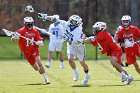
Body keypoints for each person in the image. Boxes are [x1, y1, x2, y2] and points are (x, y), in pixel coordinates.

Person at [38, 14, 90, 85]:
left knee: (82, 63)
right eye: (70, 20)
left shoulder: (78, 29)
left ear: (76, 23)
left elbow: (75, 41)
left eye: (72, 21)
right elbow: (55, 20)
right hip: (71, 46)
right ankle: (75, 71)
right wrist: (45, 17)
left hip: (79, 46)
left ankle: (87, 75)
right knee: (70, 59)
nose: (70, 21)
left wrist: (67, 38)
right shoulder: (66, 24)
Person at [11, 17, 50, 84]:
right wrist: (15, 38)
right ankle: (41, 71)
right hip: (27, 52)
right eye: (28, 23)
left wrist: (40, 42)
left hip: (34, 49)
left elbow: (39, 39)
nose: (30, 25)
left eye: (31, 23)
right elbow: (13, 40)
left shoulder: (35, 31)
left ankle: (46, 79)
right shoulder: (21, 31)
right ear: (25, 23)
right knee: (37, 69)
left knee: (39, 63)